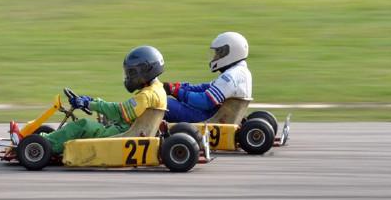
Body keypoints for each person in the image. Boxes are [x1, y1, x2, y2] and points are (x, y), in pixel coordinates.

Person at [38, 45, 167, 155]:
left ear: (145, 70)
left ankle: (42, 145)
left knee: (82, 126)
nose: (129, 77)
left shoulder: (146, 95)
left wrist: (90, 104)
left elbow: (120, 112)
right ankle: (49, 140)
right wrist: (93, 101)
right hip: (128, 128)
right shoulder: (157, 89)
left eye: (131, 73)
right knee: (96, 121)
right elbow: (124, 111)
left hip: (122, 134)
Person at [163, 32, 252, 123]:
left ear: (230, 52)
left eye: (219, 53)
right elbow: (204, 88)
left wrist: (177, 92)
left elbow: (205, 101)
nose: (215, 57)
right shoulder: (239, 72)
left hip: (207, 118)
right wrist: (179, 87)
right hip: (214, 114)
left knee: (162, 104)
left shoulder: (231, 77)